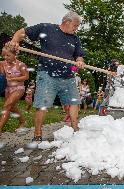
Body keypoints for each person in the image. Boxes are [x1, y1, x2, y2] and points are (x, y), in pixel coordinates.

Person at [8, 11, 85, 141]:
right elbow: (22, 31)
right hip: (47, 74)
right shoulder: (47, 28)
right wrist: (15, 40)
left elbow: (79, 55)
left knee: (74, 102)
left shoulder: (75, 39)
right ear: (67, 22)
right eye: (75, 26)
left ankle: (75, 129)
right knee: (42, 105)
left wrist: (80, 61)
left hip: (68, 76)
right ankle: (37, 134)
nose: (76, 29)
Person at [0, 45, 29, 135]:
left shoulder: (21, 65)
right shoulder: (2, 63)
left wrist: (13, 79)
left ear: (15, 54)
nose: (5, 57)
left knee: (6, 106)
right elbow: (2, 76)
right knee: (12, 107)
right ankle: (22, 121)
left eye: (8, 55)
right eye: (4, 55)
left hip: (18, 88)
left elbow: (26, 77)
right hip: (8, 88)